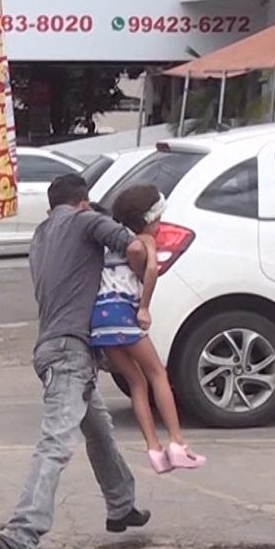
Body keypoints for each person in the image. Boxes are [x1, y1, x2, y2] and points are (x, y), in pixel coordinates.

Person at [0, 174, 152, 549]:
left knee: (99, 430)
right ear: (83, 203)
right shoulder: (85, 222)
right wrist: (144, 288)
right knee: (56, 443)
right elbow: (135, 247)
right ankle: (22, 534)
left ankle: (122, 506)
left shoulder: (41, 236)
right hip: (69, 353)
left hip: (55, 349)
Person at [92, 184, 206, 474]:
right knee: (158, 374)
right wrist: (144, 306)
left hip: (100, 319)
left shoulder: (108, 243)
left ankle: (154, 449)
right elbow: (152, 269)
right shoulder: (142, 240)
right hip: (124, 313)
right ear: (150, 219)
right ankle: (177, 443)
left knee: (136, 382)